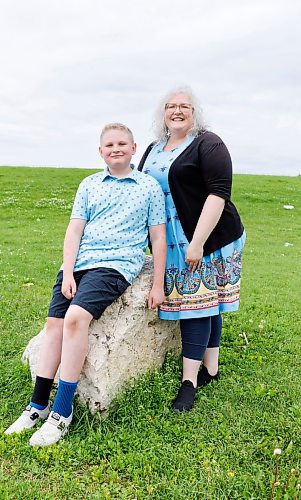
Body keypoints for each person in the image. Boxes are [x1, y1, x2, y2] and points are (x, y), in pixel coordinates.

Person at [5, 123, 166, 445]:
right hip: (79, 264)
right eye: (109, 144)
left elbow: (158, 237)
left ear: (134, 149)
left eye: (122, 143)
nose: (116, 148)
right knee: (54, 324)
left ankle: (62, 413)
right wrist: (67, 272)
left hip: (116, 264)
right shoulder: (90, 184)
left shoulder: (148, 187)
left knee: (76, 318)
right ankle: (37, 404)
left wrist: (158, 284)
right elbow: (74, 231)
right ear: (100, 151)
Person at [138, 86, 245, 412]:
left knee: (197, 304)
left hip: (209, 237)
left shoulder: (207, 143)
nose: (177, 111)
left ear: (194, 112)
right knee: (207, 301)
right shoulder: (153, 148)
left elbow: (218, 194)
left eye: (184, 106)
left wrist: (197, 243)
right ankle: (211, 369)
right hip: (169, 239)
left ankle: (190, 382)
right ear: (163, 113)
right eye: (171, 106)